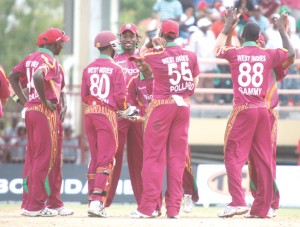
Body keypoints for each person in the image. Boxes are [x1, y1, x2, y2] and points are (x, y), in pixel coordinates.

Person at [214, 8, 295, 218]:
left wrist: (228, 24)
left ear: (241, 37)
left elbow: (217, 49)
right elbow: (291, 54)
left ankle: (237, 201)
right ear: (259, 38)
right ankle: (263, 208)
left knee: (233, 156)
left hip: (243, 109)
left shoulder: (235, 53)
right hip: (262, 109)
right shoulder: (267, 54)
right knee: (264, 159)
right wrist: (282, 31)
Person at [130, 19, 200, 218]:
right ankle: (173, 209)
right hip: (183, 106)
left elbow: (137, 56)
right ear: (177, 35)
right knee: (177, 159)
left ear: (162, 32)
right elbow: (194, 85)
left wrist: (151, 42)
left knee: (153, 157)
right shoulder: (191, 55)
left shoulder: (156, 54)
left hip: (162, 106)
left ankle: (148, 207)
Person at [9, 28, 73, 217]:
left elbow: (13, 77)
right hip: (45, 112)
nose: (62, 45)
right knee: (46, 157)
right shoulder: (48, 60)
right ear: (53, 44)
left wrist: (23, 101)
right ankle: (35, 206)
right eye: (61, 42)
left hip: (33, 111)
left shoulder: (30, 57)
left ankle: (40, 202)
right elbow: (38, 76)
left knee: (36, 157)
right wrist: (44, 101)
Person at [81, 31, 127, 217]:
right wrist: (123, 109)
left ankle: (92, 198)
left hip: (90, 113)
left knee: (95, 157)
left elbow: (84, 96)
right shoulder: (117, 69)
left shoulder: (88, 68)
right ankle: (97, 203)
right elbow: (120, 98)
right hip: (106, 114)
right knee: (106, 159)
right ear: (111, 46)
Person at [247, 34, 289, 218]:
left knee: (266, 158)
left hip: (268, 112)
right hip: (250, 112)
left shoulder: (270, 57)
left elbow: (289, 58)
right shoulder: (246, 56)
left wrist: (283, 31)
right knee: (252, 159)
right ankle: (259, 202)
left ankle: (272, 203)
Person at [105, 23, 144, 208]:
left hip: (138, 116)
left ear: (137, 39)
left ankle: (145, 204)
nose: (128, 38)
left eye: (132, 35)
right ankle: (104, 202)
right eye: (125, 35)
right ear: (119, 39)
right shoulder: (113, 58)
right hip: (119, 115)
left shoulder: (143, 58)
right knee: (113, 158)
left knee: (140, 160)